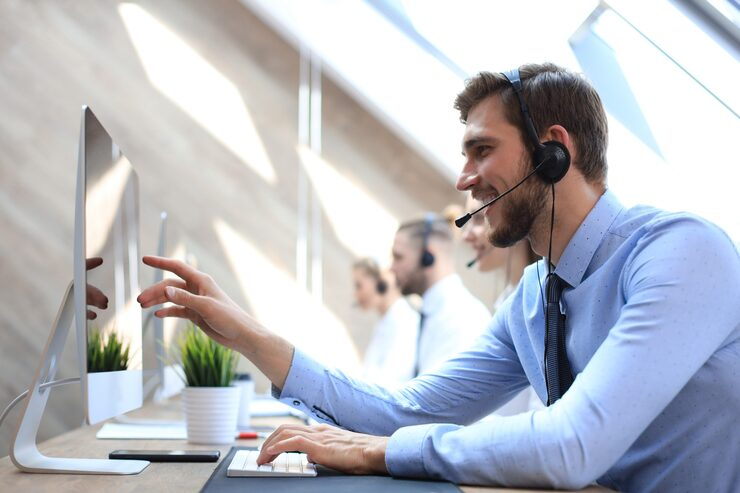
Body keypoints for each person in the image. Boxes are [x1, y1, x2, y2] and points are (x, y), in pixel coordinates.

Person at [138, 63, 740, 490]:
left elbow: (572, 447)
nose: (463, 178)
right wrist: (246, 335)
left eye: (481, 150)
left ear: (554, 150)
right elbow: (406, 412)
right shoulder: (532, 301)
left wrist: (380, 454)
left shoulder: (682, 253)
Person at [461, 196, 543, 416]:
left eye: (478, 219)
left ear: (514, 220)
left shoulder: (539, 308)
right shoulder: (508, 302)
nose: (466, 235)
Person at [390, 215, 491, 375]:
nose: (392, 268)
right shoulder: (431, 312)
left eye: (398, 257)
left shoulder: (463, 319)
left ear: (427, 258)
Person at [351, 258, 419, 387]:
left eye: (359, 285)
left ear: (381, 284)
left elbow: (390, 383)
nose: (355, 294)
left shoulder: (404, 321)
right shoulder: (387, 321)